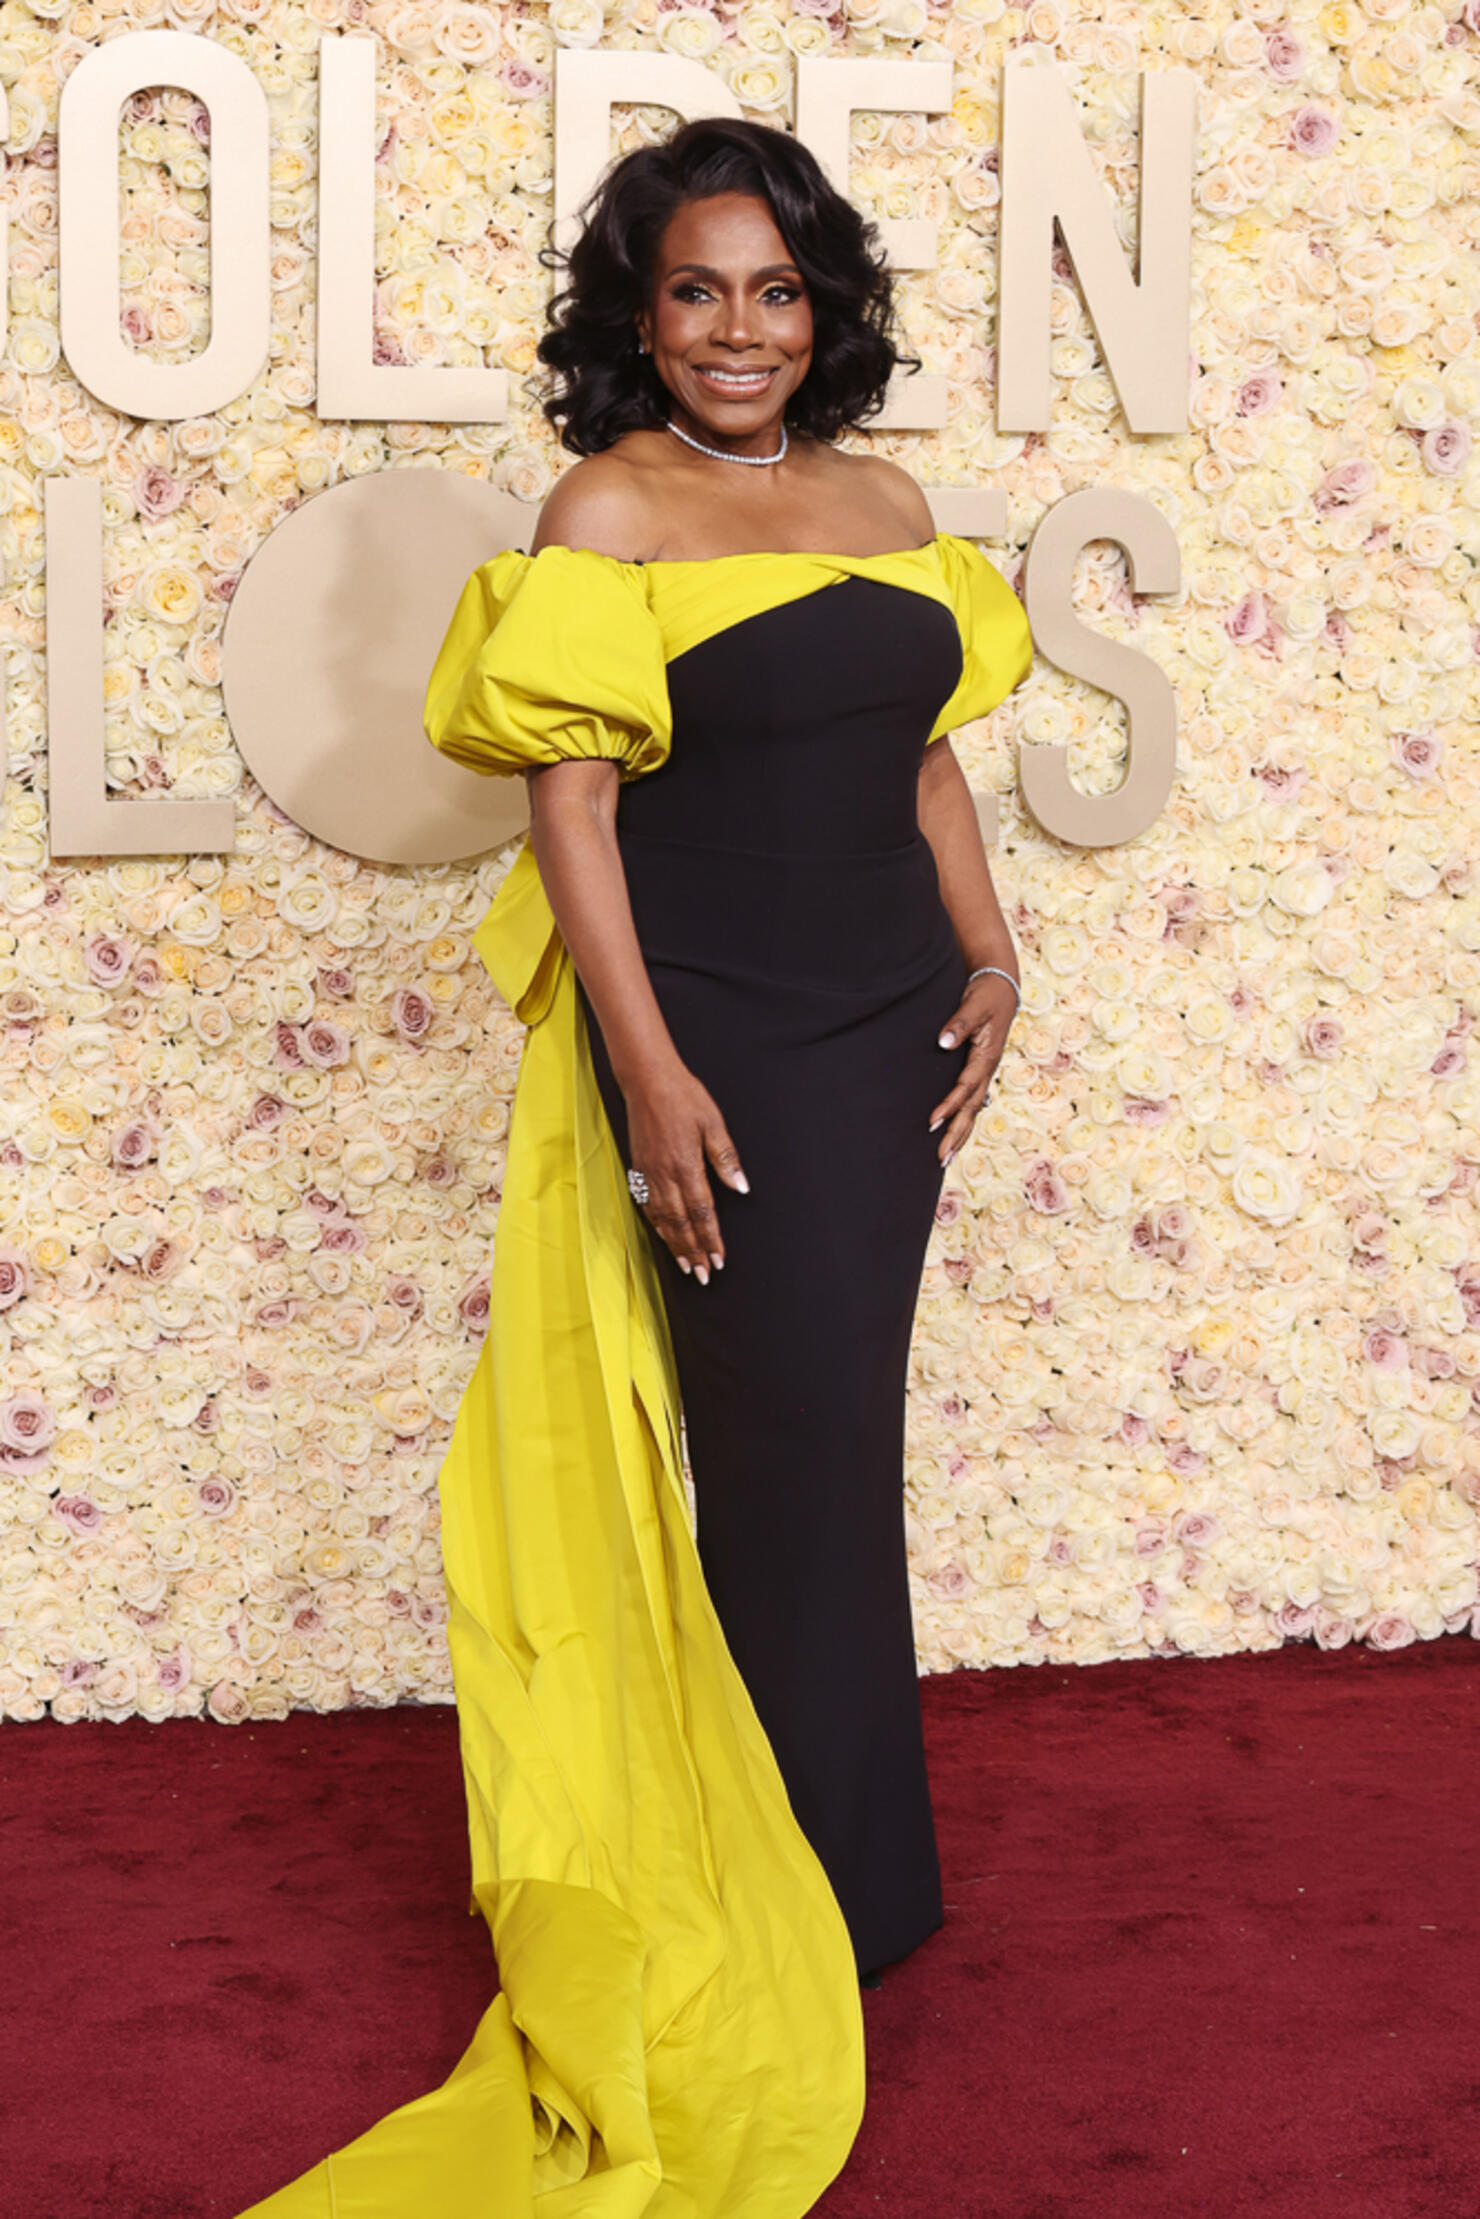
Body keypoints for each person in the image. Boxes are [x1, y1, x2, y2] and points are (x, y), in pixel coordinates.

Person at [238, 116, 1031, 2219]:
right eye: (695, 291)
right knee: (778, 1455)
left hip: (884, 1029)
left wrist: (991, 951)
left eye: (773, 290)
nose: (737, 330)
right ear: (637, 313)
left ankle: (844, 1877)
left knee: (834, 1444)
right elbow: (568, 819)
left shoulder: (886, 501)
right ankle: (777, 1905)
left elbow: (922, 756)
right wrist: (647, 1070)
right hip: (720, 1034)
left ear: (821, 307)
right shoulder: (604, 509)